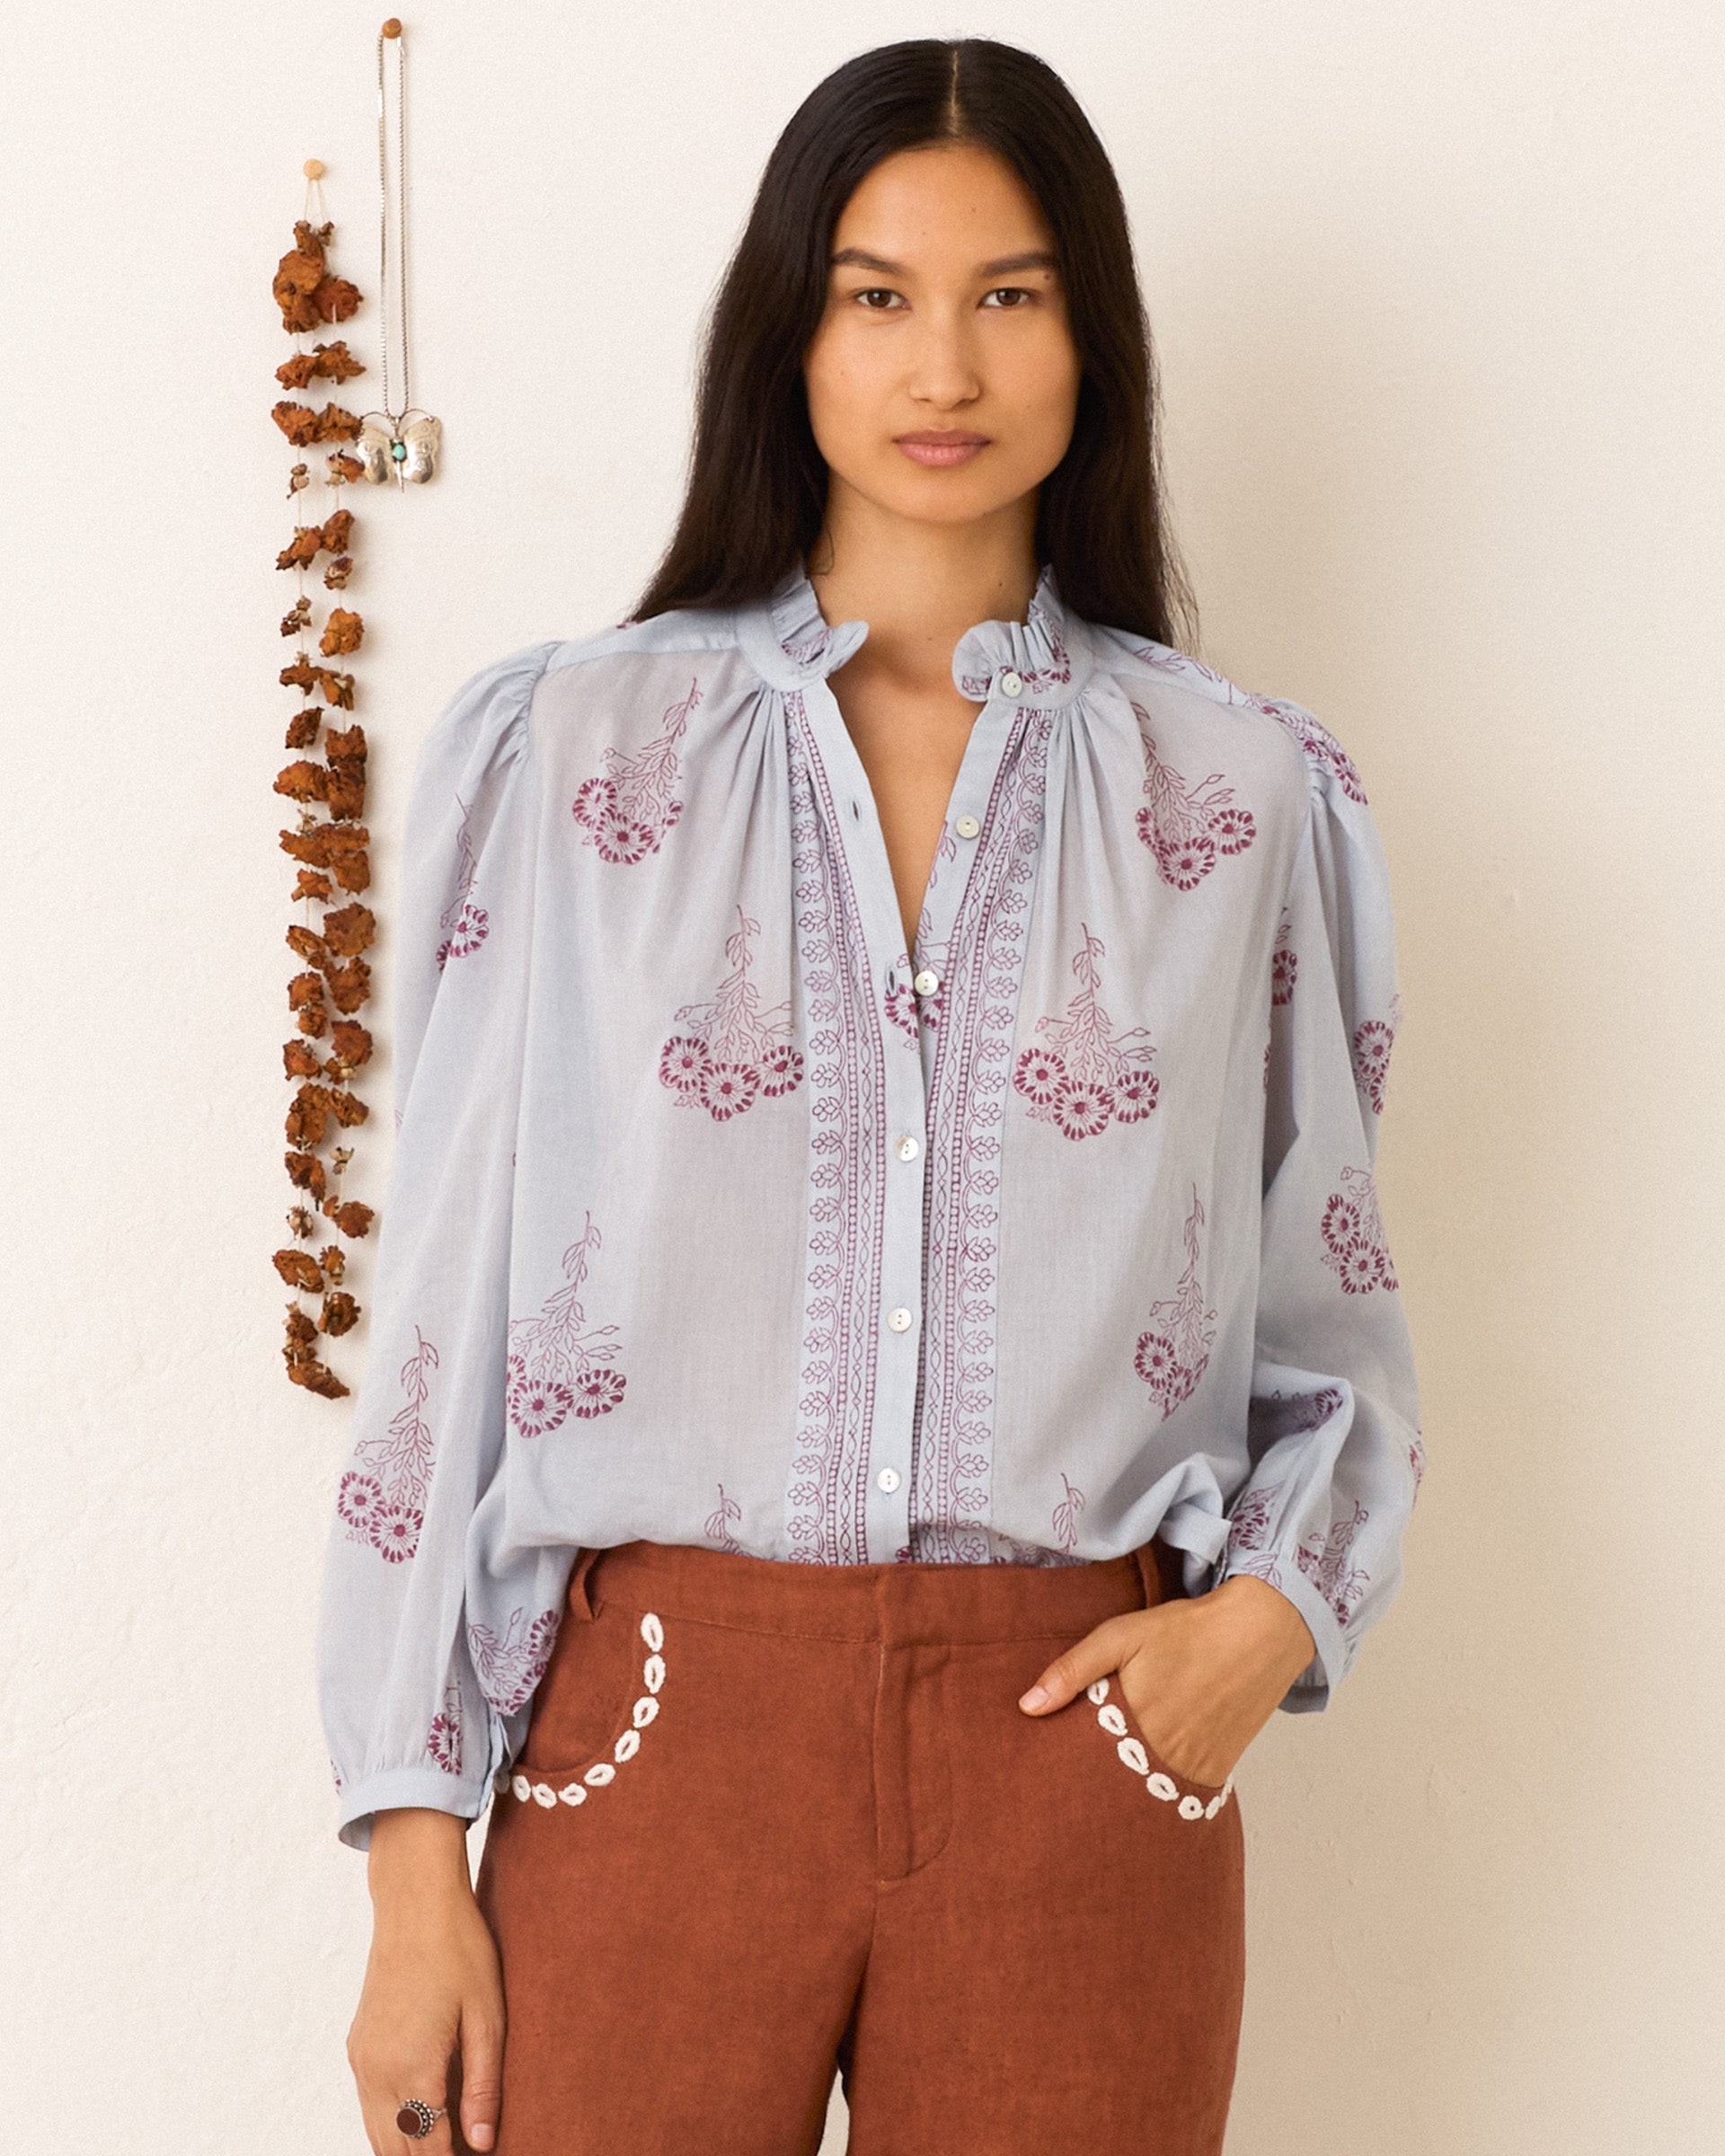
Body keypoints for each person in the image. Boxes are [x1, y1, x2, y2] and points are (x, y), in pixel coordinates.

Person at [316, 35, 1422, 2156]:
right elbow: (447, 1315)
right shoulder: (575, 756)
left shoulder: (1243, 794)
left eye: (1012, 293)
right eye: (876, 292)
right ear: (785, 334)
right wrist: (407, 1863)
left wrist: (1261, 1619)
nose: (947, 362)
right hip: (650, 1738)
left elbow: (1330, 1305)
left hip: (1077, 1750)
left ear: (1091, 332)